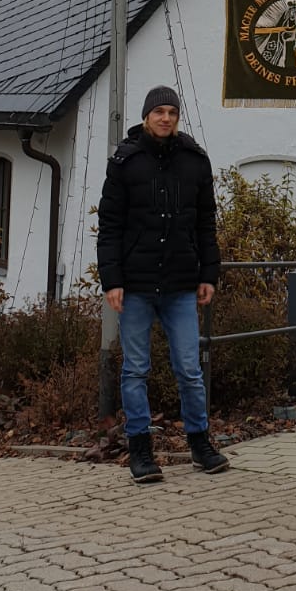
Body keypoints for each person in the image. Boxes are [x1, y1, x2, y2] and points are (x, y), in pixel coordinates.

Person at [97, 85, 230, 483]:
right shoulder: (124, 162)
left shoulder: (195, 161)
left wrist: (208, 274)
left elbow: (206, 223)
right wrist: (112, 280)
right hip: (135, 285)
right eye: (159, 112)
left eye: (172, 112)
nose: (166, 118)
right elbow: (110, 227)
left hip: (181, 284)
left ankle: (200, 444)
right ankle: (140, 450)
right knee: (135, 370)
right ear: (146, 117)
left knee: (189, 369)